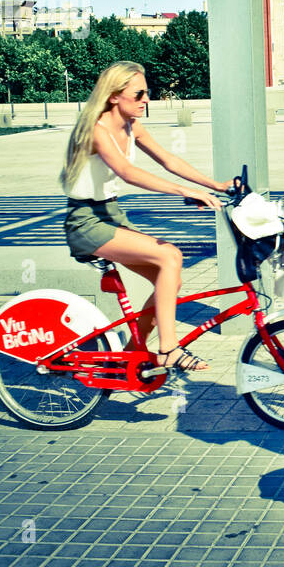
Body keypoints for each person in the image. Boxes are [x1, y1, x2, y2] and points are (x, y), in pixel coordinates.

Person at [60, 62, 235, 373]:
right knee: (170, 256)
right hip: (86, 221)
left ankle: (127, 362)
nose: (146, 100)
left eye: (147, 93)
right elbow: (127, 173)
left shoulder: (132, 126)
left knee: (167, 285)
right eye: (138, 93)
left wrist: (215, 185)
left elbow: (168, 160)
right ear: (114, 96)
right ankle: (169, 349)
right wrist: (186, 192)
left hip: (112, 214)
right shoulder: (96, 130)